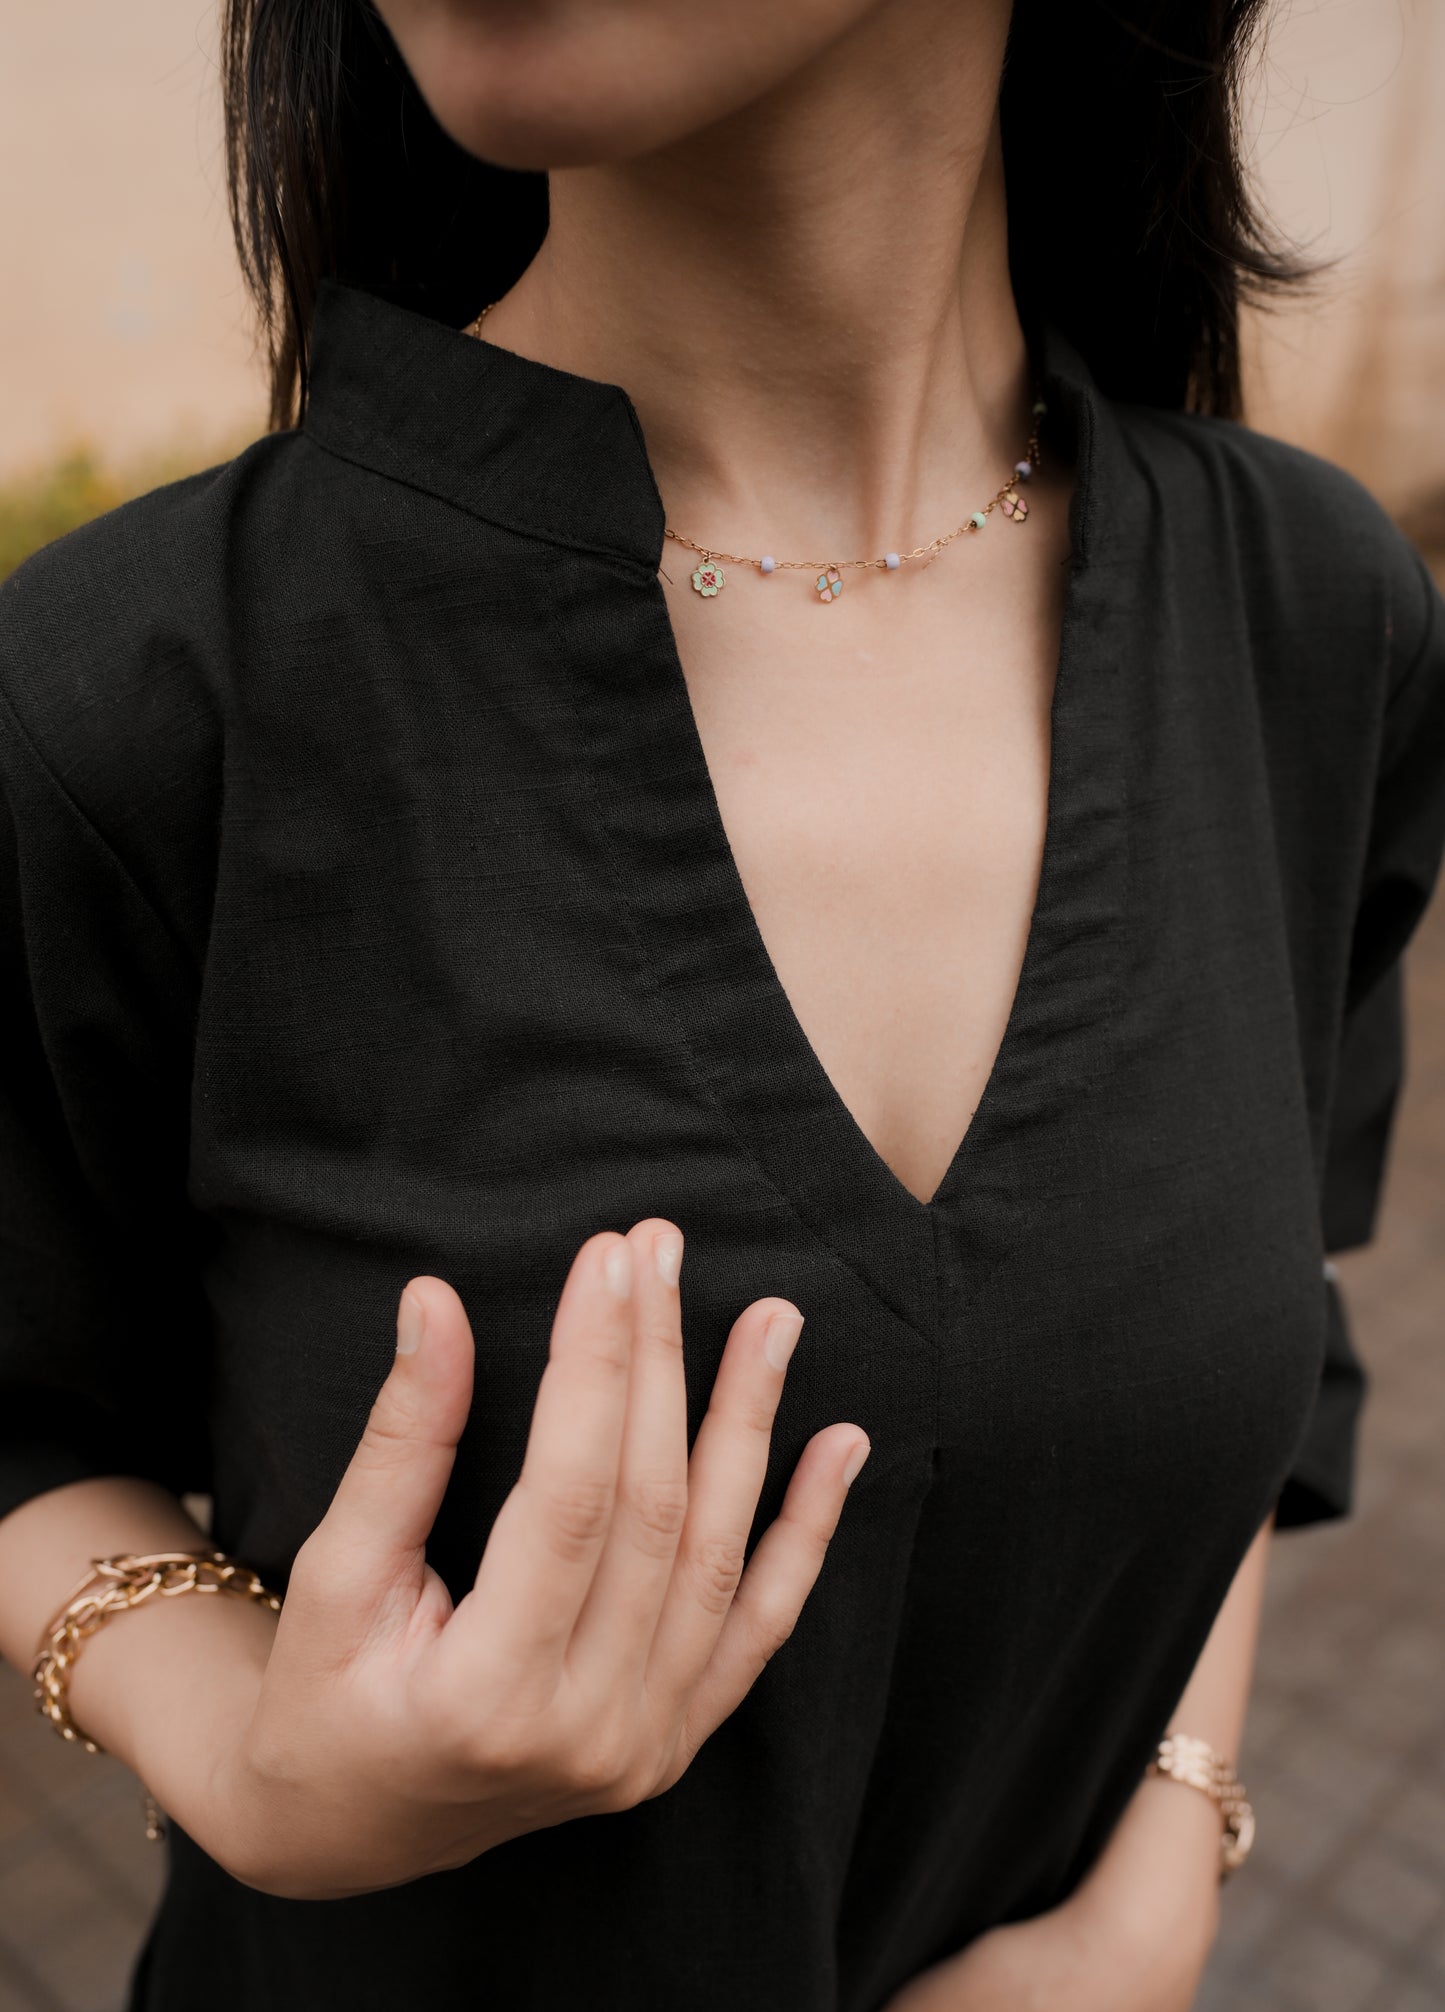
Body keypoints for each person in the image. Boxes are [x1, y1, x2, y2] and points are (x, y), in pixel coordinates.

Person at [1, 0, 1442, 2007]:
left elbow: (1280, 1321)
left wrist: (1159, 1875)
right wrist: (244, 1752)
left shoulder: (1315, 622)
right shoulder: (130, 704)